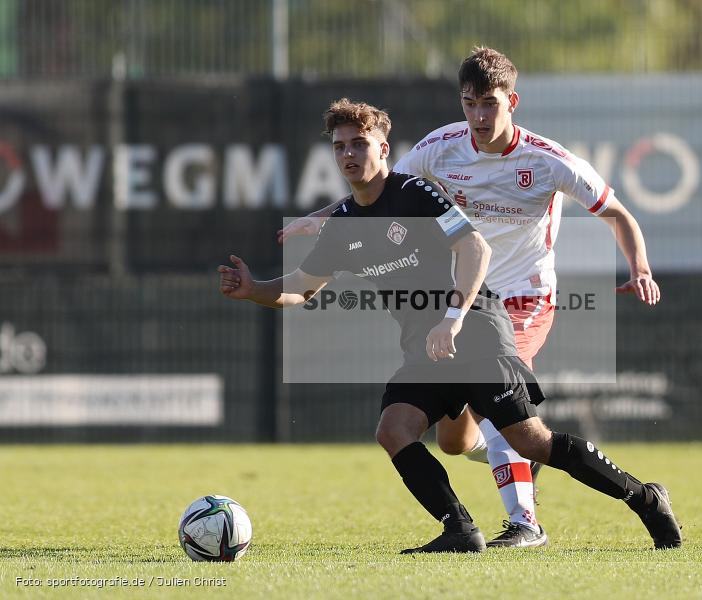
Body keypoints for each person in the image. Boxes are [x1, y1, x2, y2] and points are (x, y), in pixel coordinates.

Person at [247, 98, 680, 553]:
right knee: (398, 431)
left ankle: (645, 499)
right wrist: (251, 287)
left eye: (359, 143)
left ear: (384, 148)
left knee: (531, 441)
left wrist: (451, 320)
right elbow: (299, 286)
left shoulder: (416, 192)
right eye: (339, 147)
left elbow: (476, 249)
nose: (349, 154)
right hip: (427, 350)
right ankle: (460, 529)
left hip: (474, 331)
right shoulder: (343, 223)